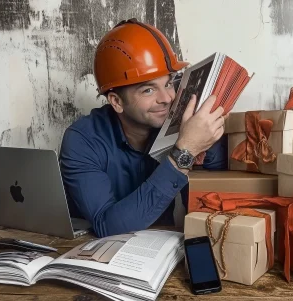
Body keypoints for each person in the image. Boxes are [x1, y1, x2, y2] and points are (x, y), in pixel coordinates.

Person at [59, 19, 228, 238]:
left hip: (165, 250)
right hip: (102, 257)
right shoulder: (82, 140)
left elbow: (218, 190)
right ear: (116, 101)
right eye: (148, 90)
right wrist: (183, 153)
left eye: (168, 83)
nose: (167, 98)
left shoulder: (179, 121)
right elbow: (107, 227)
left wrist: (208, 137)